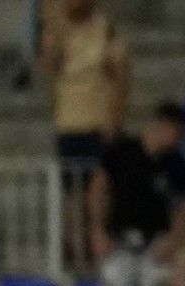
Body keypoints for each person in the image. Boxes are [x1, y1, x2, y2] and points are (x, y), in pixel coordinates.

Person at [90, 102, 185, 286]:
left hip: (155, 240)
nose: (178, 140)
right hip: (119, 237)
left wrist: (172, 241)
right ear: (164, 126)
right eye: (177, 133)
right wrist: (97, 230)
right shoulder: (121, 151)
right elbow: (97, 190)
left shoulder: (176, 163)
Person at [40, 0, 126, 173]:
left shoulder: (104, 30)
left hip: (97, 126)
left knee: (97, 189)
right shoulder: (58, 30)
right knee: (71, 188)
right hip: (67, 126)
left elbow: (119, 79)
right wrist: (53, 29)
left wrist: (113, 123)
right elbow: (51, 67)